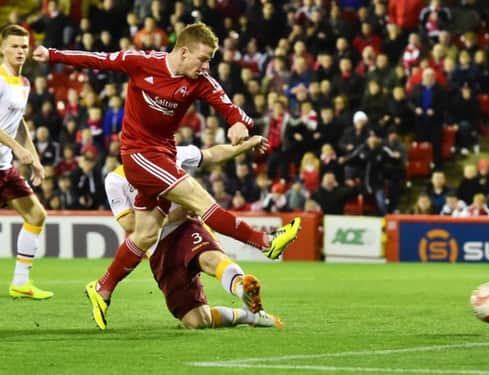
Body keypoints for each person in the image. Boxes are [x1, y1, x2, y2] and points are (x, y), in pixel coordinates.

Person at [32, 22, 301, 330]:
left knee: (146, 234)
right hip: (138, 155)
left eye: (210, 60)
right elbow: (98, 59)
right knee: (201, 201)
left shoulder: (199, 80)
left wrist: (238, 123)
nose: (206, 66)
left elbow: (225, 103)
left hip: (165, 155)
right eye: (202, 58)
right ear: (183, 52)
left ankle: (102, 288)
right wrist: (51, 54)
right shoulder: (142, 62)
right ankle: (266, 242)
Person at [106, 136, 281, 329]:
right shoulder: (115, 179)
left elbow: (213, 154)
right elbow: (129, 223)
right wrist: (170, 216)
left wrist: (248, 144)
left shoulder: (172, 154)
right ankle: (249, 316)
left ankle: (243, 287)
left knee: (210, 259)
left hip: (186, 228)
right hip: (158, 249)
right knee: (198, 321)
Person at [0, 25, 52, 299]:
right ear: (2, 48)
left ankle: (20, 282)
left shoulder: (24, 84)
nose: (20, 51)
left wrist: (34, 159)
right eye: (14, 46)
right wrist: (19, 149)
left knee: (36, 215)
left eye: (24, 46)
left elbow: (18, 122)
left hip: (4, 166)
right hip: (7, 159)